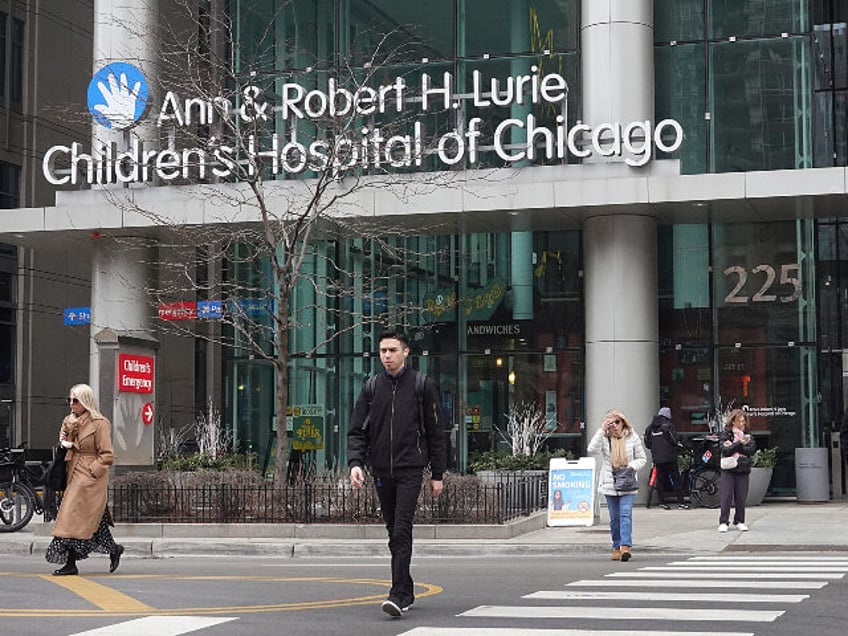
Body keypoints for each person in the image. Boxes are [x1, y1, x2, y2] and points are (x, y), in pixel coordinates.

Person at [347, 330, 447, 619]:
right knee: (393, 531)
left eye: (392, 350)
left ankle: (397, 595)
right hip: (381, 470)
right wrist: (356, 463)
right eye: (382, 351)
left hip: (410, 470)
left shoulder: (422, 385)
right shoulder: (371, 387)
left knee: (402, 528)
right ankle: (407, 587)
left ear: (406, 352)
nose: (387, 356)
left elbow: (436, 432)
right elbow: (357, 430)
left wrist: (437, 474)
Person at [45, 384, 124, 576]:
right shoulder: (68, 421)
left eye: (76, 400)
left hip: (90, 476)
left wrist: (92, 471)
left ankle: (70, 563)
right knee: (90, 521)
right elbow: (66, 446)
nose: (72, 404)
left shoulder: (100, 423)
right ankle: (114, 550)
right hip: (72, 470)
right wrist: (65, 443)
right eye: (70, 400)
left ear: (86, 402)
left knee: (71, 516)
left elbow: (107, 455)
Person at [587, 409, 647, 562]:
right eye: (611, 422)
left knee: (625, 515)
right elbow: (591, 450)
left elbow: (642, 458)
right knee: (614, 518)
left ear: (623, 422)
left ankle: (625, 547)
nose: (615, 425)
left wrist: (631, 467)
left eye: (617, 422)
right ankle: (616, 546)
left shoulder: (632, 437)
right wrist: (601, 430)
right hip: (610, 482)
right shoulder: (605, 438)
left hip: (627, 482)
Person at [717, 408, 756, 533]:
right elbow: (725, 450)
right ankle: (723, 521)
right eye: (739, 421)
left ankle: (739, 521)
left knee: (741, 496)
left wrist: (734, 446)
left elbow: (750, 450)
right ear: (733, 421)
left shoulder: (748, 434)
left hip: (743, 468)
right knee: (726, 496)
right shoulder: (726, 434)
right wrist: (740, 444)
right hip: (728, 469)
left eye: (743, 421)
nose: (742, 424)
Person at [643, 407, 688, 510]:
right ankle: (681, 502)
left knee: (660, 480)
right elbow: (674, 440)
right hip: (670, 457)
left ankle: (662, 502)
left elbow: (647, 443)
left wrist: (655, 449)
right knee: (676, 479)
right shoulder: (668, 425)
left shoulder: (650, 427)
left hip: (657, 458)